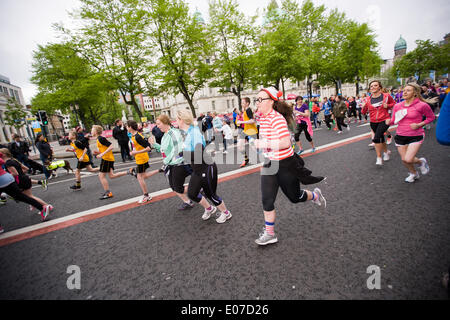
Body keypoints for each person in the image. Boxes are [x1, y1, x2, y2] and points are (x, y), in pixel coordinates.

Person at [251, 88, 326, 246]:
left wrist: (262, 143)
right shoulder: (261, 118)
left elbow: (285, 143)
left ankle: (315, 196)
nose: (257, 103)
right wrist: (260, 147)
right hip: (270, 163)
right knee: (267, 199)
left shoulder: (277, 119)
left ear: (271, 101)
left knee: (295, 197)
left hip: (286, 164)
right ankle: (270, 234)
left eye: (260, 100)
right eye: (256, 99)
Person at [176, 109, 232, 224]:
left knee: (210, 194)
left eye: (177, 119)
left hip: (206, 167)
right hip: (197, 170)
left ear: (182, 120)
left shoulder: (194, 132)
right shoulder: (188, 133)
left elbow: (199, 151)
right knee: (192, 193)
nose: (175, 122)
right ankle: (210, 208)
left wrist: (183, 154)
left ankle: (226, 213)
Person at [390, 83, 435, 182]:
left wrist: (419, 124)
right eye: (404, 90)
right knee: (404, 159)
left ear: (415, 93)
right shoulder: (398, 106)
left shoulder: (422, 105)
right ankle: (413, 173)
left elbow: (431, 117)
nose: (404, 92)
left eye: (408, 90)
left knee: (409, 159)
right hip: (400, 135)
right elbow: (393, 120)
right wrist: (387, 121)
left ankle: (421, 162)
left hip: (416, 135)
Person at [151, 114, 195, 211]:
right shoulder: (165, 135)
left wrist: (166, 160)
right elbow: (164, 149)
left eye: (158, 124)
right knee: (173, 187)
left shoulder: (173, 133)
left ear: (165, 122)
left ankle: (198, 186)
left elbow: (177, 149)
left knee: (177, 187)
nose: (157, 126)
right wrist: (154, 145)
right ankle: (188, 201)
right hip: (170, 164)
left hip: (179, 163)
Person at [0, 153, 52, 225]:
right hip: (9, 179)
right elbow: (25, 169)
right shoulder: (13, 160)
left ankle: (45, 206)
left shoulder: (9, 162)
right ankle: (43, 207)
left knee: (27, 196)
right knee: (23, 197)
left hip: (12, 180)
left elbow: (15, 173)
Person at [362, 80, 395, 166]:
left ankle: (379, 157)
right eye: (371, 86)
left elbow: (394, 104)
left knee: (376, 138)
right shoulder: (368, 99)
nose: (373, 87)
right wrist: (364, 107)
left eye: (375, 85)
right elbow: (363, 112)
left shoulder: (386, 96)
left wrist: (387, 106)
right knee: (380, 138)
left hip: (384, 120)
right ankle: (386, 152)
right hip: (373, 121)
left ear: (379, 87)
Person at [126, 120, 159, 204]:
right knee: (143, 176)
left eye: (127, 126)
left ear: (130, 127)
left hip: (142, 159)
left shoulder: (137, 136)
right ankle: (160, 170)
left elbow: (148, 148)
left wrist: (135, 152)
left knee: (139, 177)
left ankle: (146, 195)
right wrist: (133, 152)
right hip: (139, 158)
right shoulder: (133, 136)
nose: (126, 127)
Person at [91, 125, 128, 200]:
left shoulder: (101, 138)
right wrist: (98, 152)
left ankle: (108, 193)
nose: (91, 131)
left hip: (107, 159)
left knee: (101, 176)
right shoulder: (99, 139)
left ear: (95, 132)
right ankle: (129, 172)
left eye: (92, 130)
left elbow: (111, 146)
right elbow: (105, 148)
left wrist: (101, 154)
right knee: (112, 176)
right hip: (107, 158)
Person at [236, 97, 258, 168]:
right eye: (241, 102)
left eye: (243, 103)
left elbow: (252, 121)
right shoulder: (245, 110)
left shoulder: (248, 110)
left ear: (247, 103)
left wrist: (242, 122)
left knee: (255, 148)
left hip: (252, 131)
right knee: (239, 145)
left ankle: (269, 155)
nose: (241, 104)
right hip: (246, 130)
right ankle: (246, 159)